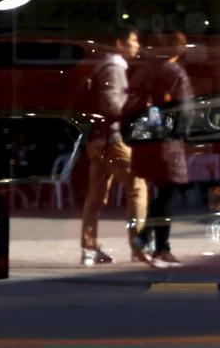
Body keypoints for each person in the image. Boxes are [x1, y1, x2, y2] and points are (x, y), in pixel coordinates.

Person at [80, 25, 149, 266]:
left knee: (96, 195)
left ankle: (89, 249)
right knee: (138, 187)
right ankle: (138, 247)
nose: (137, 45)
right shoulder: (115, 67)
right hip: (113, 139)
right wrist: (138, 102)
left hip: (96, 140)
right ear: (120, 43)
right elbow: (113, 105)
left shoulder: (102, 67)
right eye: (133, 40)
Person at [125, 30, 194, 268]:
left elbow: (129, 102)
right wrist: (187, 132)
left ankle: (157, 245)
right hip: (167, 143)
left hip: (144, 142)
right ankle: (151, 242)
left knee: (161, 192)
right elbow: (185, 110)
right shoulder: (174, 72)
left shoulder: (144, 70)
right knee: (167, 193)